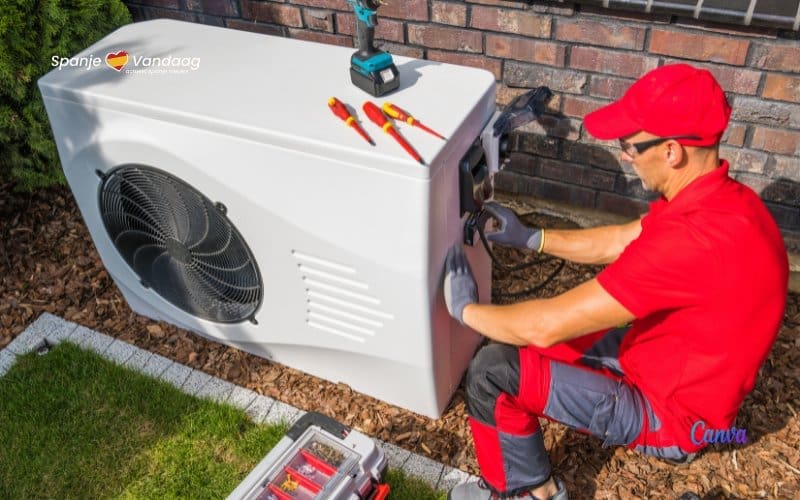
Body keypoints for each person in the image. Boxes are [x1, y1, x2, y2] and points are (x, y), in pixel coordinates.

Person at [442, 63, 789, 500]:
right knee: (523, 344)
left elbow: (545, 324)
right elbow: (621, 239)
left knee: (492, 373)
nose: (625, 154)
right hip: (668, 366)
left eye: (630, 145)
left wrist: (465, 311)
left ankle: (530, 492)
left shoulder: (692, 242)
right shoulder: (723, 201)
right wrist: (533, 237)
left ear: (671, 152)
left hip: (672, 417)